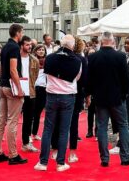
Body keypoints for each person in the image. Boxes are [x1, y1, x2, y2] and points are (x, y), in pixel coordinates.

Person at [34, 35, 82, 172]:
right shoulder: (77, 61)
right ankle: (60, 163)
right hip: (67, 96)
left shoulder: (50, 58)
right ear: (72, 46)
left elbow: (47, 74)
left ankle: (43, 162)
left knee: (48, 129)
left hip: (52, 95)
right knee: (63, 130)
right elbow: (77, 78)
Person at [86, 31, 129, 167]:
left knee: (102, 127)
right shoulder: (120, 56)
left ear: (101, 41)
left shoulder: (93, 57)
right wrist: (125, 93)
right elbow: (126, 79)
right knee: (123, 126)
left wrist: (88, 94)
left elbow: (89, 79)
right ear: (112, 41)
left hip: (100, 97)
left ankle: (104, 159)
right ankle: (124, 158)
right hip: (117, 97)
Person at [0, 23, 27, 165]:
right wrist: (19, 88)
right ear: (18, 33)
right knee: (12, 121)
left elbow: (1, 68)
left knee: (1, 120)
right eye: (22, 31)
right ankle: (13, 155)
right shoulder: (14, 47)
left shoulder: (5, 46)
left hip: (3, 86)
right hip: (11, 88)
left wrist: (3, 81)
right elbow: (13, 70)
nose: (22, 33)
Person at [110, 36, 129, 154]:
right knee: (128, 116)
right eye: (125, 43)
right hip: (126, 86)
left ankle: (122, 144)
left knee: (126, 117)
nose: (126, 45)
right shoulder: (126, 55)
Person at [68, 37, 87, 164]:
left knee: (60, 122)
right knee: (73, 122)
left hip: (62, 92)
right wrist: (87, 95)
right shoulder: (81, 60)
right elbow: (84, 79)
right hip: (77, 92)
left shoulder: (61, 57)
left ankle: (55, 149)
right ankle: (72, 152)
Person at [20, 36, 40, 152]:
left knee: (28, 119)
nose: (29, 47)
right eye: (27, 45)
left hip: (30, 92)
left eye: (30, 45)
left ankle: (26, 143)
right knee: (10, 119)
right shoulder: (15, 58)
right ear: (22, 45)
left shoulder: (34, 60)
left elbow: (36, 75)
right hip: (16, 92)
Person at [31, 44, 47, 141]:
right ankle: (28, 134)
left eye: (43, 50)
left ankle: (35, 133)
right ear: (35, 51)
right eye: (39, 49)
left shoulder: (47, 62)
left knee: (38, 112)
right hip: (33, 87)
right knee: (31, 112)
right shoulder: (32, 60)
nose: (41, 51)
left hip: (43, 88)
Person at [85, 46, 97, 138]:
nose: (91, 55)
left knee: (98, 113)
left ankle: (97, 130)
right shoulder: (86, 65)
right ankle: (89, 130)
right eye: (90, 53)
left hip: (97, 92)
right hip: (89, 91)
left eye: (93, 53)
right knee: (90, 112)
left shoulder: (99, 64)